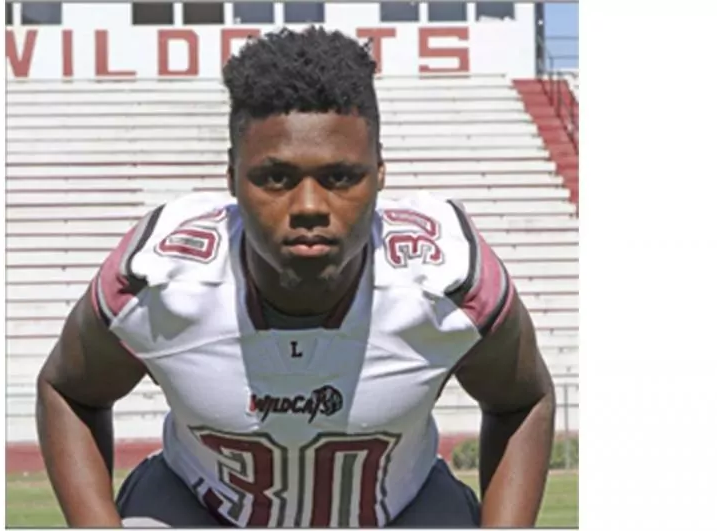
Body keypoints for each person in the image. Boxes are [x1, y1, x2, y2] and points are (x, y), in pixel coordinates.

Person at [35, 26, 556, 528]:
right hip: (199, 508)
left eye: (340, 177)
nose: (309, 205)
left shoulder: (448, 282)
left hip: (398, 510)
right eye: (276, 177)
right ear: (231, 176)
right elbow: (70, 392)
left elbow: (521, 400)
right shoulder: (159, 279)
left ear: (380, 172)